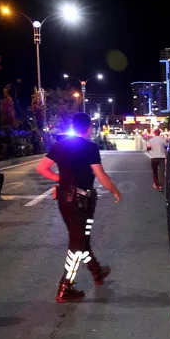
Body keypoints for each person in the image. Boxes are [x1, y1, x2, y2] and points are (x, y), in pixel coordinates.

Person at [35, 112, 122, 303]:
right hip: (82, 202)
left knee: (80, 238)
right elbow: (100, 175)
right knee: (78, 242)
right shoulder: (90, 147)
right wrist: (115, 191)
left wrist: (62, 180)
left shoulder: (60, 145)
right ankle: (65, 286)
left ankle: (96, 271)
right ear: (89, 128)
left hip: (64, 200)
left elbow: (41, 168)